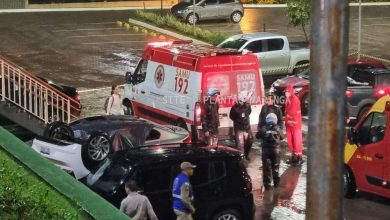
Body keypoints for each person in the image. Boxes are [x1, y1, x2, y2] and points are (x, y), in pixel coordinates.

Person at [257, 113, 283, 191]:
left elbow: (257, 136)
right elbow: (282, 137)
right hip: (275, 150)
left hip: (265, 151)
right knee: (276, 167)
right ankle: (276, 183)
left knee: (266, 168)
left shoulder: (264, 128)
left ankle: (267, 185)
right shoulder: (278, 128)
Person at [229, 90, 253, 160]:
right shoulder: (235, 108)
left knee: (250, 141)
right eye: (246, 98)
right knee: (240, 145)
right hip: (239, 129)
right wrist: (238, 121)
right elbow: (232, 116)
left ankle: (246, 154)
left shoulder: (248, 106)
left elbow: (249, 113)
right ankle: (240, 159)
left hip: (247, 128)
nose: (248, 99)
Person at [284, 84, 303, 166]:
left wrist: (286, 116)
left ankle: (299, 157)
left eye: (287, 92)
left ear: (291, 91)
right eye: (285, 92)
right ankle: (294, 156)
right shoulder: (288, 99)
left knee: (296, 141)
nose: (286, 94)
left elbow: (291, 112)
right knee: (290, 141)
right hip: (289, 124)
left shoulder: (295, 100)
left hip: (295, 125)